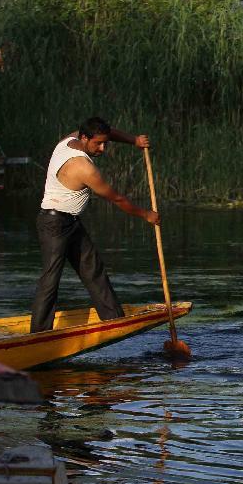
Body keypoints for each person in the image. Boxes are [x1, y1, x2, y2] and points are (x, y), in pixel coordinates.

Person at [30, 117, 160, 333]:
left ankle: (114, 321)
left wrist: (134, 140)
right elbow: (117, 199)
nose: (102, 148)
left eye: (105, 143)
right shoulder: (83, 167)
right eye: (98, 143)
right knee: (51, 279)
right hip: (53, 223)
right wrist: (145, 214)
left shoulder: (69, 139)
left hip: (71, 222)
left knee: (94, 270)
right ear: (84, 138)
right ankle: (38, 334)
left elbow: (110, 132)